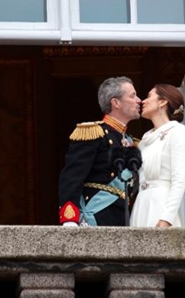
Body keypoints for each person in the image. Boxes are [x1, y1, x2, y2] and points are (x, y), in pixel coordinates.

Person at [58, 77, 141, 226]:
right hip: (95, 216)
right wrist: (70, 218)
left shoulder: (131, 141)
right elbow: (71, 177)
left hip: (123, 218)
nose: (139, 100)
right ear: (116, 103)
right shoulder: (93, 133)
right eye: (132, 95)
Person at [129, 84, 185, 228]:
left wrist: (166, 218)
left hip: (161, 206)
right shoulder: (145, 139)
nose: (143, 101)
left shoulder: (177, 131)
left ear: (163, 102)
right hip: (141, 205)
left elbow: (179, 180)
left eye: (149, 96)